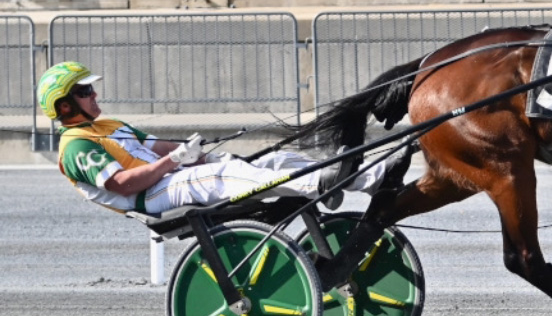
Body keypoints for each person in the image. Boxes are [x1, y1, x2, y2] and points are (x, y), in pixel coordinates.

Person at [38, 61, 406, 214]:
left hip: (170, 178)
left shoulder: (108, 124)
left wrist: (192, 151)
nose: (94, 95)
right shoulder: (76, 147)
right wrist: (175, 162)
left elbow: (157, 147)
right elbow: (121, 184)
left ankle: (372, 177)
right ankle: (318, 184)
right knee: (219, 178)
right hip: (149, 197)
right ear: (66, 107)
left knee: (272, 161)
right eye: (85, 92)